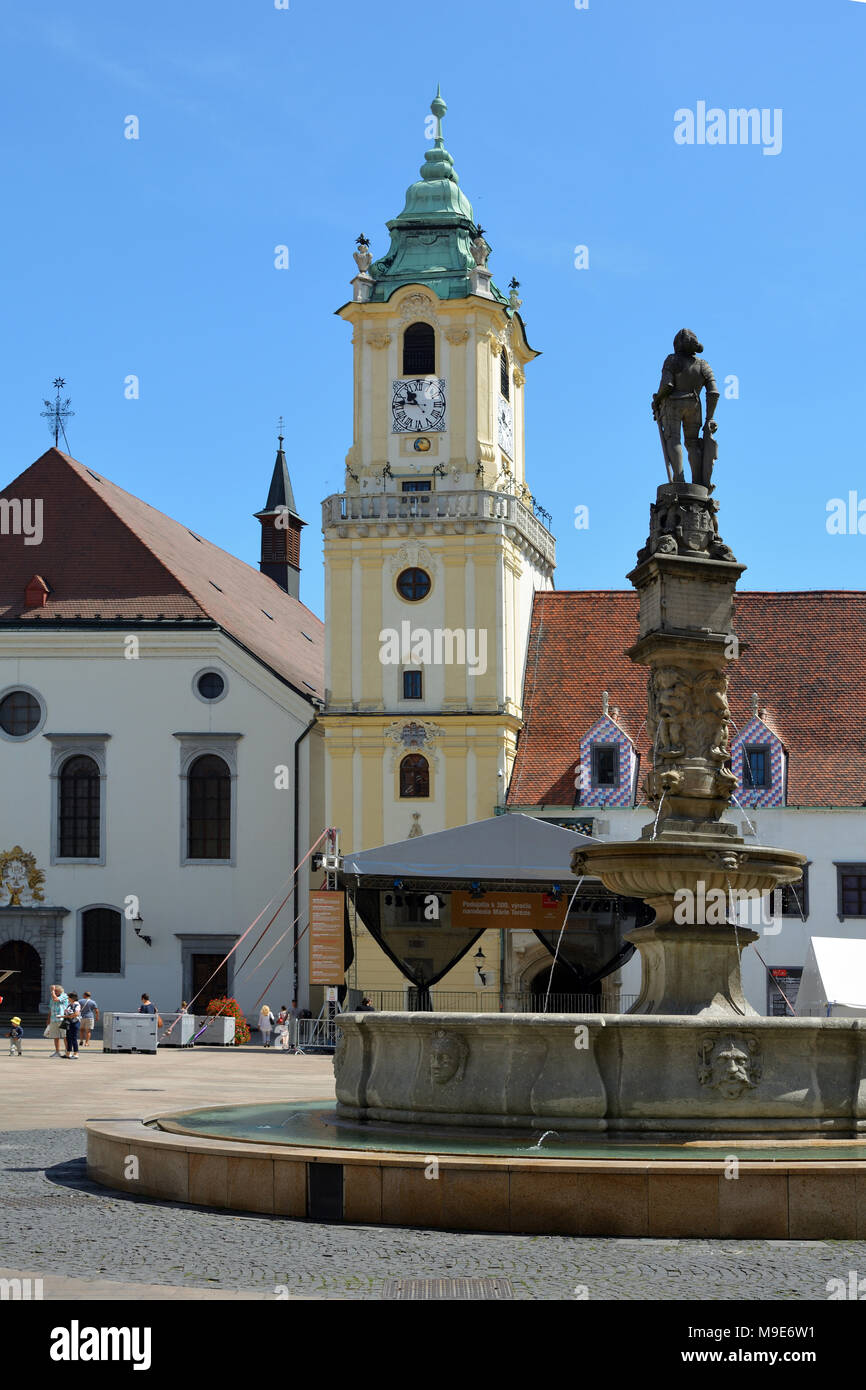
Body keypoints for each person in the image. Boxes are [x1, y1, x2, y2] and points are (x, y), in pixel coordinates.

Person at [46, 984, 69, 1057]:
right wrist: (48, 1019)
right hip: (53, 1019)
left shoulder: (64, 995)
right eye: (54, 991)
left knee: (65, 1036)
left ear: (59, 991)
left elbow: (56, 999)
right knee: (55, 1036)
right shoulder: (52, 997)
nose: (54, 992)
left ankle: (67, 1051)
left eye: (55, 991)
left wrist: (52, 990)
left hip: (62, 1019)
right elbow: (50, 1008)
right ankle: (57, 1052)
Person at [64, 993, 82, 1058]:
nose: (67, 999)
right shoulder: (69, 1004)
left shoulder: (76, 1004)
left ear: (72, 998)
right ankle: (68, 1053)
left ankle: (76, 1054)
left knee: (73, 1038)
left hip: (75, 1022)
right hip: (69, 1022)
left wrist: (66, 1016)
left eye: (68, 997)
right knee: (68, 1038)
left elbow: (76, 1014)